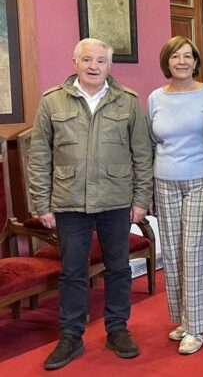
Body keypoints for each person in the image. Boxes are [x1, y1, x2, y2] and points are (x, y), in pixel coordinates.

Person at [28, 38, 153, 370]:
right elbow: (39, 157)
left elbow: (142, 155)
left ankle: (117, 329)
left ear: (110, 66)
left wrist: (141, 200)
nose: (94, 65)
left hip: (116, 200)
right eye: (87, 59)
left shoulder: (127, 102)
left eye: (101, 60)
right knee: (72, 272)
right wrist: (42, 203)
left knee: (119, 269)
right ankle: (70, 335)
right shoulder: (52, 102)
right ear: (75, 62)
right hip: (69, 202)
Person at [147, 36, 203, 355]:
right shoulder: (155, 98)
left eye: (188, 56)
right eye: (175, 56)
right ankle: (184, 318)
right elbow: (154, 142)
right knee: (175, 252)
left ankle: (198, 326)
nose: (182, 61)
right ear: (166, 62)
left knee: (196, 252)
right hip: (165, 181)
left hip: (202, 180)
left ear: (196, 61)